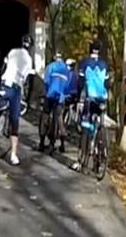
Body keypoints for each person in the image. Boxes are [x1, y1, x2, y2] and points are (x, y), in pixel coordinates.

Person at [72, 40, 110, 171]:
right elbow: (107, 84)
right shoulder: (105, 65)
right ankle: (99, 149)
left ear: (90, 49)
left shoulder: (85, 63)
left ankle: (80, 160)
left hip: (90, 98)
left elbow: (81, 83)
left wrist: (77, 98)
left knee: (85, 129)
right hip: (102, 99)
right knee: (99, 123)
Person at [0, 34, 34, 166]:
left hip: (4, 82)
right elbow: (26, 81)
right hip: (15, 87)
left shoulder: (12, 52)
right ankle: (13, 155)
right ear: (30, 46)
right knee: (15, 121)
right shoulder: (29, 60)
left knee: (1, 107)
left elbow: (4, 65)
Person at [40, 52, 70, 153]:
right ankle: (62, 142)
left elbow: (46, 82)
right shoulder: (66, 69)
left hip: (50, 95)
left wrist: (45, 93)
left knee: (45, 114)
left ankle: (41, 142)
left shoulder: (50, 67)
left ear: (54, 58)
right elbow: (67, 86)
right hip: (60, 97)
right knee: (59, 117)